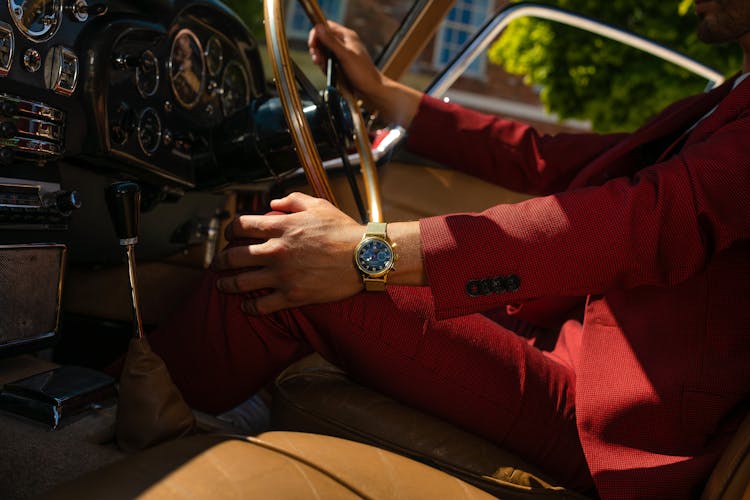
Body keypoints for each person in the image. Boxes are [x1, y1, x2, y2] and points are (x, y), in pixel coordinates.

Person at [146, 1, 750, 497]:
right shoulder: (732, 98)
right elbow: (548, 158)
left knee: (278, 263)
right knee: (306, 251)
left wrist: (366, 253)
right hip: (557, 345)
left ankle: (111, 423)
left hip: (603, 421)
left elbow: (641, 223)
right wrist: (387, 94)